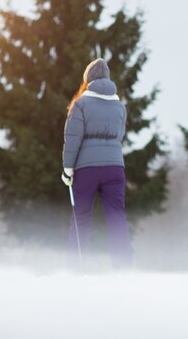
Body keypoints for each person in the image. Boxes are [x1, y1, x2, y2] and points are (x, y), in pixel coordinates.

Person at [61, 58, 131, 269]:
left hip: (86, 169)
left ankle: (76, 267)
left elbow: (72, 138)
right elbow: (119, 135)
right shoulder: (119, 106)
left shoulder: (80, 104)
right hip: (114, 168)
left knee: (81, 217)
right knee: (116, 216)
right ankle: (123, 268)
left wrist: (67, 169)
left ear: (87, 80)